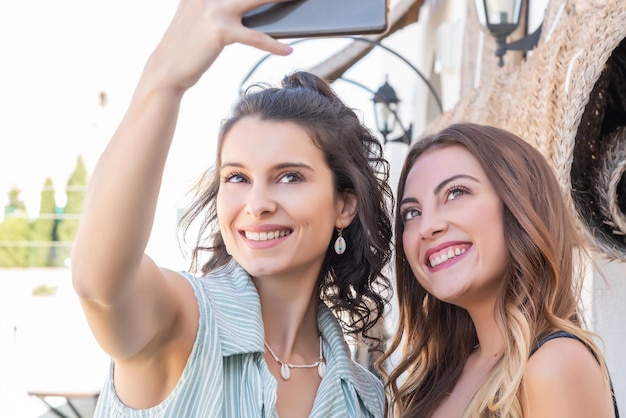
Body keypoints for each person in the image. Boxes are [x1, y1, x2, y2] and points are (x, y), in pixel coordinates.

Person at [71, 1, 394, 416]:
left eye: (290, 176)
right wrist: (164, 80)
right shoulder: (184, 323)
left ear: (344, 205)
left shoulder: (365, 397)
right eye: (237, 177)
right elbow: (99, 285)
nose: (256, 205)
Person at [378, 123, 619, 417]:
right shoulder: (440, 378)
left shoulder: (554, 365)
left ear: (520, 207)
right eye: (412, 213)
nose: (427, 227)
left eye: (456, 193)